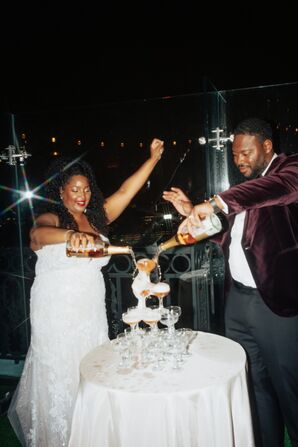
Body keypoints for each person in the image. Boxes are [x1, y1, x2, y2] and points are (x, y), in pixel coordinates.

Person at [8, 138, 164, 447]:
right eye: (75, 189)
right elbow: (37, 235)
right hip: (54, 308)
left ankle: (90, 434)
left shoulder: (96, 219)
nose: (82, 195)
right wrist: (70, 235)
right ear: (61, 191)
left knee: (91, 366)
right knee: (61, 369)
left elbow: (124, 192)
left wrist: (153, 160)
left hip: (89, 307)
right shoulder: (51, 218)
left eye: (86, 189)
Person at [163, 118, 298, 447]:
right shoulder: (246, 191)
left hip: (275, 304)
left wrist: (215, 203)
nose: (240, 161)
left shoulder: (289, 171)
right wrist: (192, 211)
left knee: (290, 390)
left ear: (267, 146)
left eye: (246, 153)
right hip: (238, 301)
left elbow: (277, 190)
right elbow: (229, 236)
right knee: (255, 388)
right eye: (236, 155)